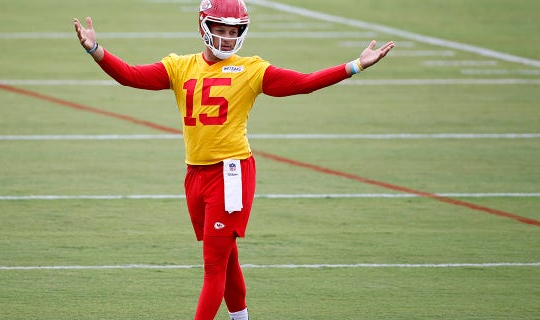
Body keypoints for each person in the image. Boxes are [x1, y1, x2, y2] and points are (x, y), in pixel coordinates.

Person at [74, 0, 394, 319]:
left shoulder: (251, 69)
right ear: (204, 27)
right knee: (227, 259)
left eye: (233, 31)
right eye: (221, 30)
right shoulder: (179, 66)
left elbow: (303, 83)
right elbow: (130, 75)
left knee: (213, 266)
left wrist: (356, 65)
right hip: (195, 174)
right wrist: (95, 49)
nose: (227, 38)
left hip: (231, 175)